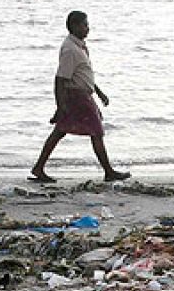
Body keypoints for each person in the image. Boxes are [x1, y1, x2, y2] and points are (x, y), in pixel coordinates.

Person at [29, 10, 129, 184]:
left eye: (87, 25)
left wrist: (99, 92)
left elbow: (83, 74)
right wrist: (60, 106)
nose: (87, 28)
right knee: (96, 132)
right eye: (84, 25)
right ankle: (108, 171)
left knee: (60, 131)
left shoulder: (79, 46)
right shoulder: (70, 49)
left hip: (83, 94)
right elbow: (60, 79)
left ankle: (39, 167)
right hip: (77, 97)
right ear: (74, 26)